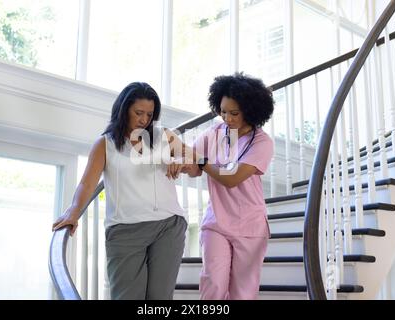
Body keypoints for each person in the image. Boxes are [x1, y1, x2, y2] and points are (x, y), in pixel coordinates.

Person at [52, 82, 188, 300]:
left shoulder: (164, 136)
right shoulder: (104, 144)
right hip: (124, 230)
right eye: (138, 113)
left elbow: (195, 161)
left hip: (168, 226)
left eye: (150, 114)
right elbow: (87, 183)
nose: (144, 119)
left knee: (159, 299)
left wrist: (182, 160)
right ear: (124, 110)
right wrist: (73, 212)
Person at [176, 72, 274, 300]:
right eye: (223, 111)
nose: (227, 118)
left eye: (234, 113)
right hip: (216, 223)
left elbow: (231, 178)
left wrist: (198, 160)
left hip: (250, 227)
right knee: (213, 285)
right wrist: (181, 164)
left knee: (243, 293)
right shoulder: (214, 133)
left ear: (250, 111)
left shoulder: (261, 142)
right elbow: (194, 165)